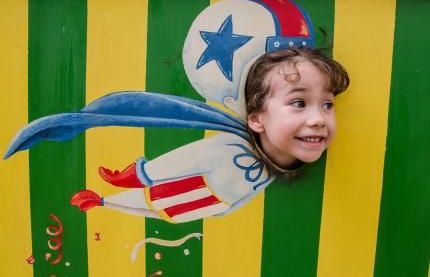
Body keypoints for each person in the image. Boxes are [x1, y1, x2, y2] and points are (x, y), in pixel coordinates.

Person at [70, 47, 349, 223]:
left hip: (208, 205)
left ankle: (102, 201)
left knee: (159, 210)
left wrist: (224, 212)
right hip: (184, 194)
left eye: (327, 104)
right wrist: (137, 176)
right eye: (299, 103)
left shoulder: (270, 173)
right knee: (152, 203)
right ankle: (102, 200)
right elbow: (182, 161)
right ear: (255, 118)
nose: (318, 119)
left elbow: (245, 198)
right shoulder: (229, 146)